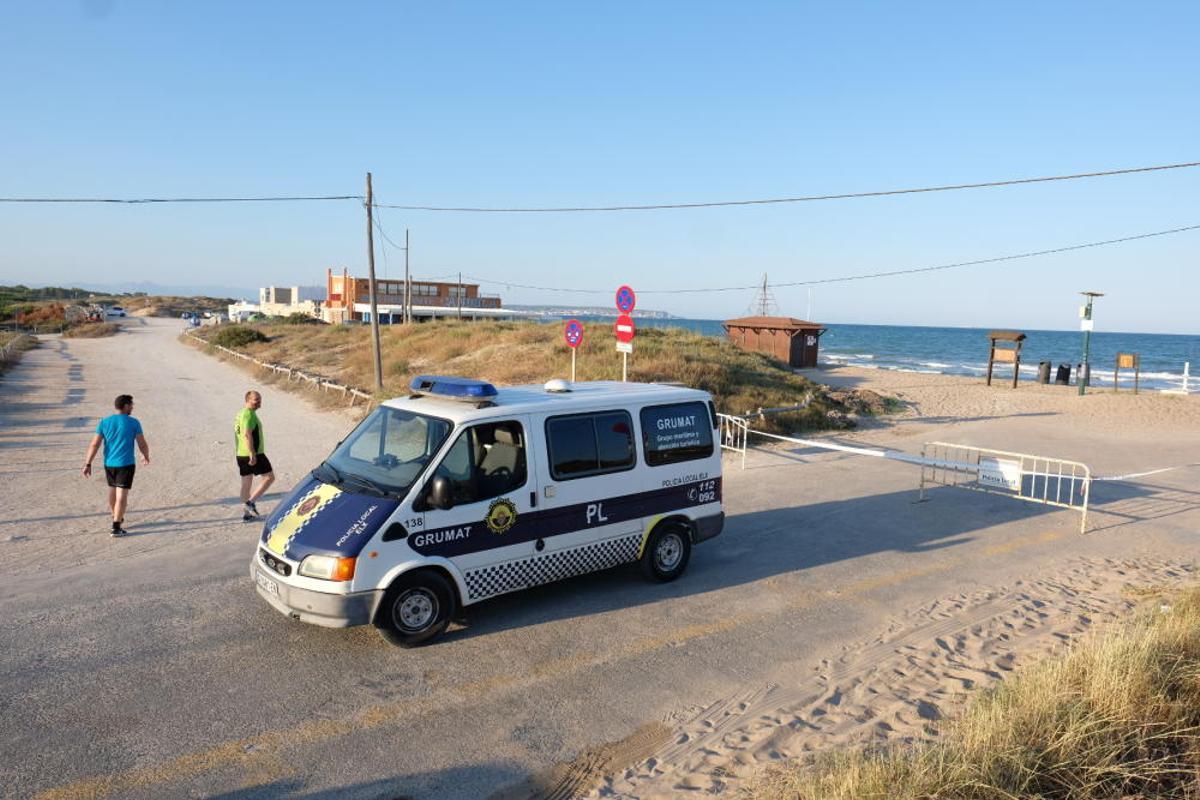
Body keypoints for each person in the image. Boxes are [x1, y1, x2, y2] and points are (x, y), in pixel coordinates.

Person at [82, 394, 150, 537]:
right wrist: (145, 455)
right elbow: (141, 443)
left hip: (109, 464)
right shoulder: (133, 422)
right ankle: (116, 527)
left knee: (112, 491)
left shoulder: (104, 422)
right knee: (121, 496)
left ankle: (116, 516)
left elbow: (94, 444)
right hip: (126, 464)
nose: (132, 407)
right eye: (131, 405)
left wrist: (88, 463)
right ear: (125, 406)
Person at [236, 390, 275, 521]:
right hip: (253, 453)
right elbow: (247, 434)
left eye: (259, 399)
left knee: (246, 483)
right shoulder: (249, 414)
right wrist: (252, 453)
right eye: (255, 399)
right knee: (269, 477)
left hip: (240, 453)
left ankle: (246, 514)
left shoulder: (241, 413)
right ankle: (250, 503)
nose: (259, 402)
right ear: (247, 400)